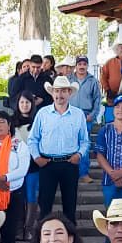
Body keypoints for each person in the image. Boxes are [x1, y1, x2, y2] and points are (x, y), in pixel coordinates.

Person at [28, 76, 91, 224]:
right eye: (57, 91)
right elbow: (33, 139)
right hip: (47, 163)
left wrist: (79, 154)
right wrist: (37, 158)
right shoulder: (43, 113)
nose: (59, 95)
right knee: (44, 206)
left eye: (63, 91)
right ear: (52, 93)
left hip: (70, 163)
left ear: (69, 93)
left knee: (70, 206)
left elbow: (84, 140)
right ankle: (42, 242)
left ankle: (71, 242)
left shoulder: (78, 114)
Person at [0, 112, 30, 243]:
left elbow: (23, 169)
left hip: (13, 194)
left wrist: (4, 178)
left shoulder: (19, 145)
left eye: (2, 122)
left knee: (9, 235)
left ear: (9, 125)